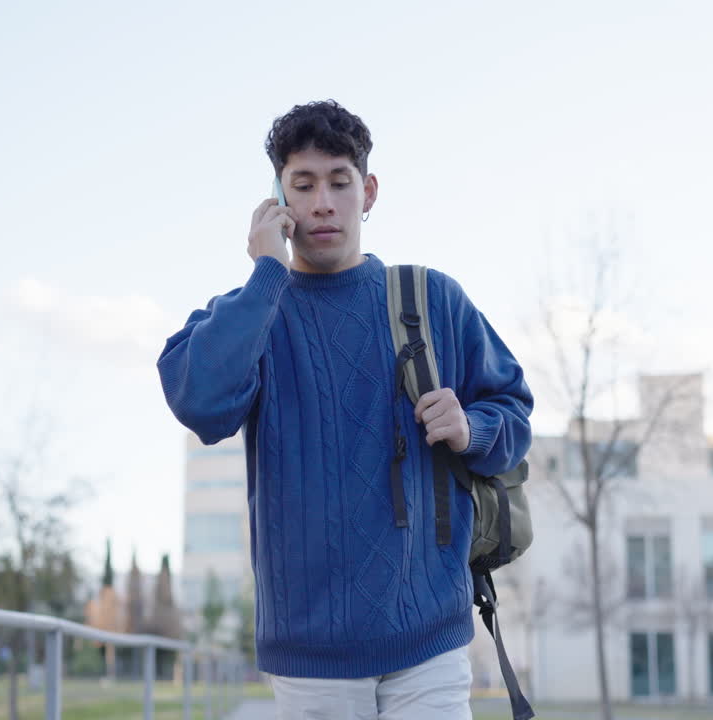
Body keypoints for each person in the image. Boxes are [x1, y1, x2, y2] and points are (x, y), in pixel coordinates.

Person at [158, 100, 533, 719]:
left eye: (339, 181)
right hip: (311, 660)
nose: (322, 202)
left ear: (369, 192)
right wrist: (264, 276)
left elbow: (515, 411)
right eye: (302, 185)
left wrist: (474, 426)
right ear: (277, 200)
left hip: (429, 643)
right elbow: (200, 404)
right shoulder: (254, 310)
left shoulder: (432, 298)